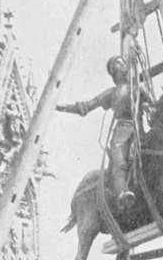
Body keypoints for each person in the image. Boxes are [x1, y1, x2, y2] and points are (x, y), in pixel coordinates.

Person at [57, 55, 154, 208]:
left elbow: (152, 104)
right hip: (121, 132)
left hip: (139, 130)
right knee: (119, 162)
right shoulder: (112, 93)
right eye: (118, 63)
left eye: (123, 62)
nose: (122, 64)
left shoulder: (138, 88)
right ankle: (122, 193)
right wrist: (62, 107)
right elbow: (87, 106)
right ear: (113, 72)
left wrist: (148, 107)